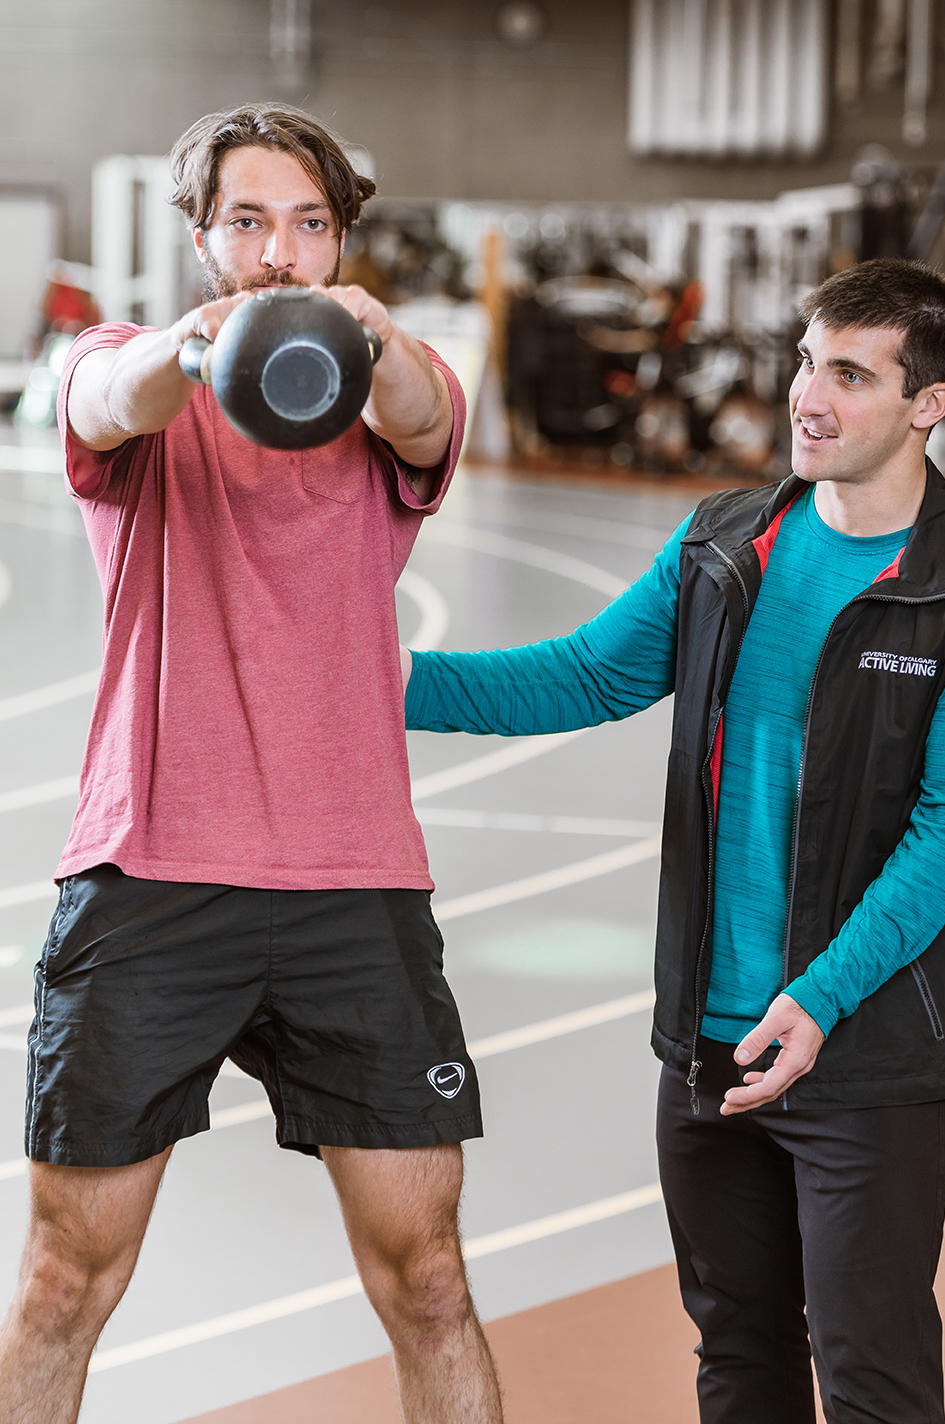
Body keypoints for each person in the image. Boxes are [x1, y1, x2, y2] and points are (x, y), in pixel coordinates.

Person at [403, 259, 945, 1423]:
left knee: (871, 1374)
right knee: (738, 1350)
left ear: (929, 403)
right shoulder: (727, 541)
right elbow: (588, 672)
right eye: (806, 360)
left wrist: (815, 1001)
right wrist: (370, 678)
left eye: (849, 375)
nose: (807, 395)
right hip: (708, 1041)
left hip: (864, 1054)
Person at [0, 104, 502, 1424]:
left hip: (353, 885)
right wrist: (194, 350)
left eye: (308, 223)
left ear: (339, 240)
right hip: (151, 875)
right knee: (63, 1280)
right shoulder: (132, 368)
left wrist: (374, 334)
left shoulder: (401, 379)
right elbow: (111, 396)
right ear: (201, 238)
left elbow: (409, 412)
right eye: (247, 221)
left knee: (433, 1282)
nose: (278, 250)